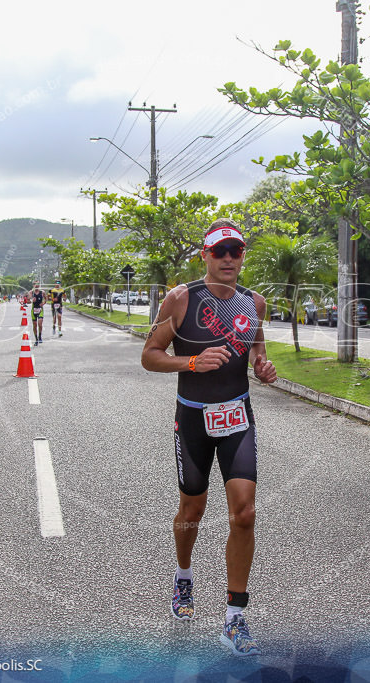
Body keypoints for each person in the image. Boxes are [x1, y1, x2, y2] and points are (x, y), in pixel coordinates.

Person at [141, 219, 277, 657]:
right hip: (194, 419)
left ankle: (235, 618)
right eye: (220, 252)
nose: (228, 259)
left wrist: (262, 365)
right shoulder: (181, 300)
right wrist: (192, 363)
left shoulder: (254, 303)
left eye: (235, 251)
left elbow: (256, 349)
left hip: (237, 417)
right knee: (192, 509)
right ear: (205, 255)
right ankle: (184, 576)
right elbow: (149, 355)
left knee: (245, 514)